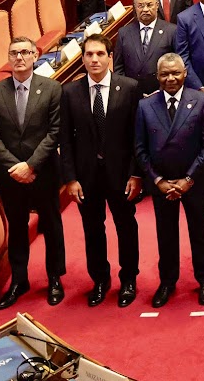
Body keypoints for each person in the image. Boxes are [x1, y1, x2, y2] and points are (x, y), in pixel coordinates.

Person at [60, 35, 142, 308]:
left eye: (99, 54)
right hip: (86, 177)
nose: (94, 59)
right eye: (88, 54)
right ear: (82, 59)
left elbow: (137, 137)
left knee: (126, 227)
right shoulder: (70, 92)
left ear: (110, 56)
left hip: (121, 175)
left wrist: (135, 174)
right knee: (92, 229)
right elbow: (65, 140)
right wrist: (70, 178)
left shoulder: (129, 88)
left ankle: (129, 279)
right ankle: (100, 279)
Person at [0, 36, 66, 309]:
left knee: (52, 225)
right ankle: (20, 280)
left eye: (25, 52)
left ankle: (55, 277)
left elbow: (54, 133)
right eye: (14, 53)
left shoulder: (52, 88)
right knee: (17, 228)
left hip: (42, 171)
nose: (19, 57)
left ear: (34, 56)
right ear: (8, 59)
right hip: (9, 174)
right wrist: (15, 167)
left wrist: (30, 165)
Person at [134, 53, 204, 308]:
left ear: (184, 74)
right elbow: (140, 149)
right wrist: (157, 180)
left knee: (199, 231)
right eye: (165, 74)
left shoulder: (202, 101)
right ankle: (167, 282)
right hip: (162, 184)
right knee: (166, 234)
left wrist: (189, 179)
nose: (170, 78)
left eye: (175, 73)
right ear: (157, 77)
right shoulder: (145, 106)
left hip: (193, 181)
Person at [114, 0, 179, 97]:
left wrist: (162, 90)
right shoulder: (124, 33)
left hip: (163, 93)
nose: (145, 9)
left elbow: (178, 64)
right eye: (140, 6)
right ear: (135, 7)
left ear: (157, 5)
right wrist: (127, 91)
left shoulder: (171, 31)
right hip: (132, 95)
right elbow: (118, 68)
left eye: (149, 5)